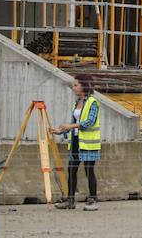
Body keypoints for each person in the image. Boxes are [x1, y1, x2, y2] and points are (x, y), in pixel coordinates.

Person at [52, 74, 101, 211]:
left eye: (76, 85)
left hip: (88, 143)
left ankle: (92, 200)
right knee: (72, 170)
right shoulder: (76, 103)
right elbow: (74, 123)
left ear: (84, 86)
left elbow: (88, 122)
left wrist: (69, 126)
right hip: (75, 141)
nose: (73, 87)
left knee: (88, 170)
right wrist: (61, 131)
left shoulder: (93, 102)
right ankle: (70, 200)